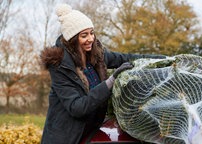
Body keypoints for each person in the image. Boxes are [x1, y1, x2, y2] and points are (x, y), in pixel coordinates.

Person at [40, 3, 166, 144]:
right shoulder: (60, 66)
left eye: (92, 33)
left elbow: (126, 58)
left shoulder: (97, 55)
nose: (91, 39)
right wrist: (110, 81)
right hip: (66, 137)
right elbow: (77, 107)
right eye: (84, 35)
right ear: (73, 39)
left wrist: (165, 60)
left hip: (92, 129)